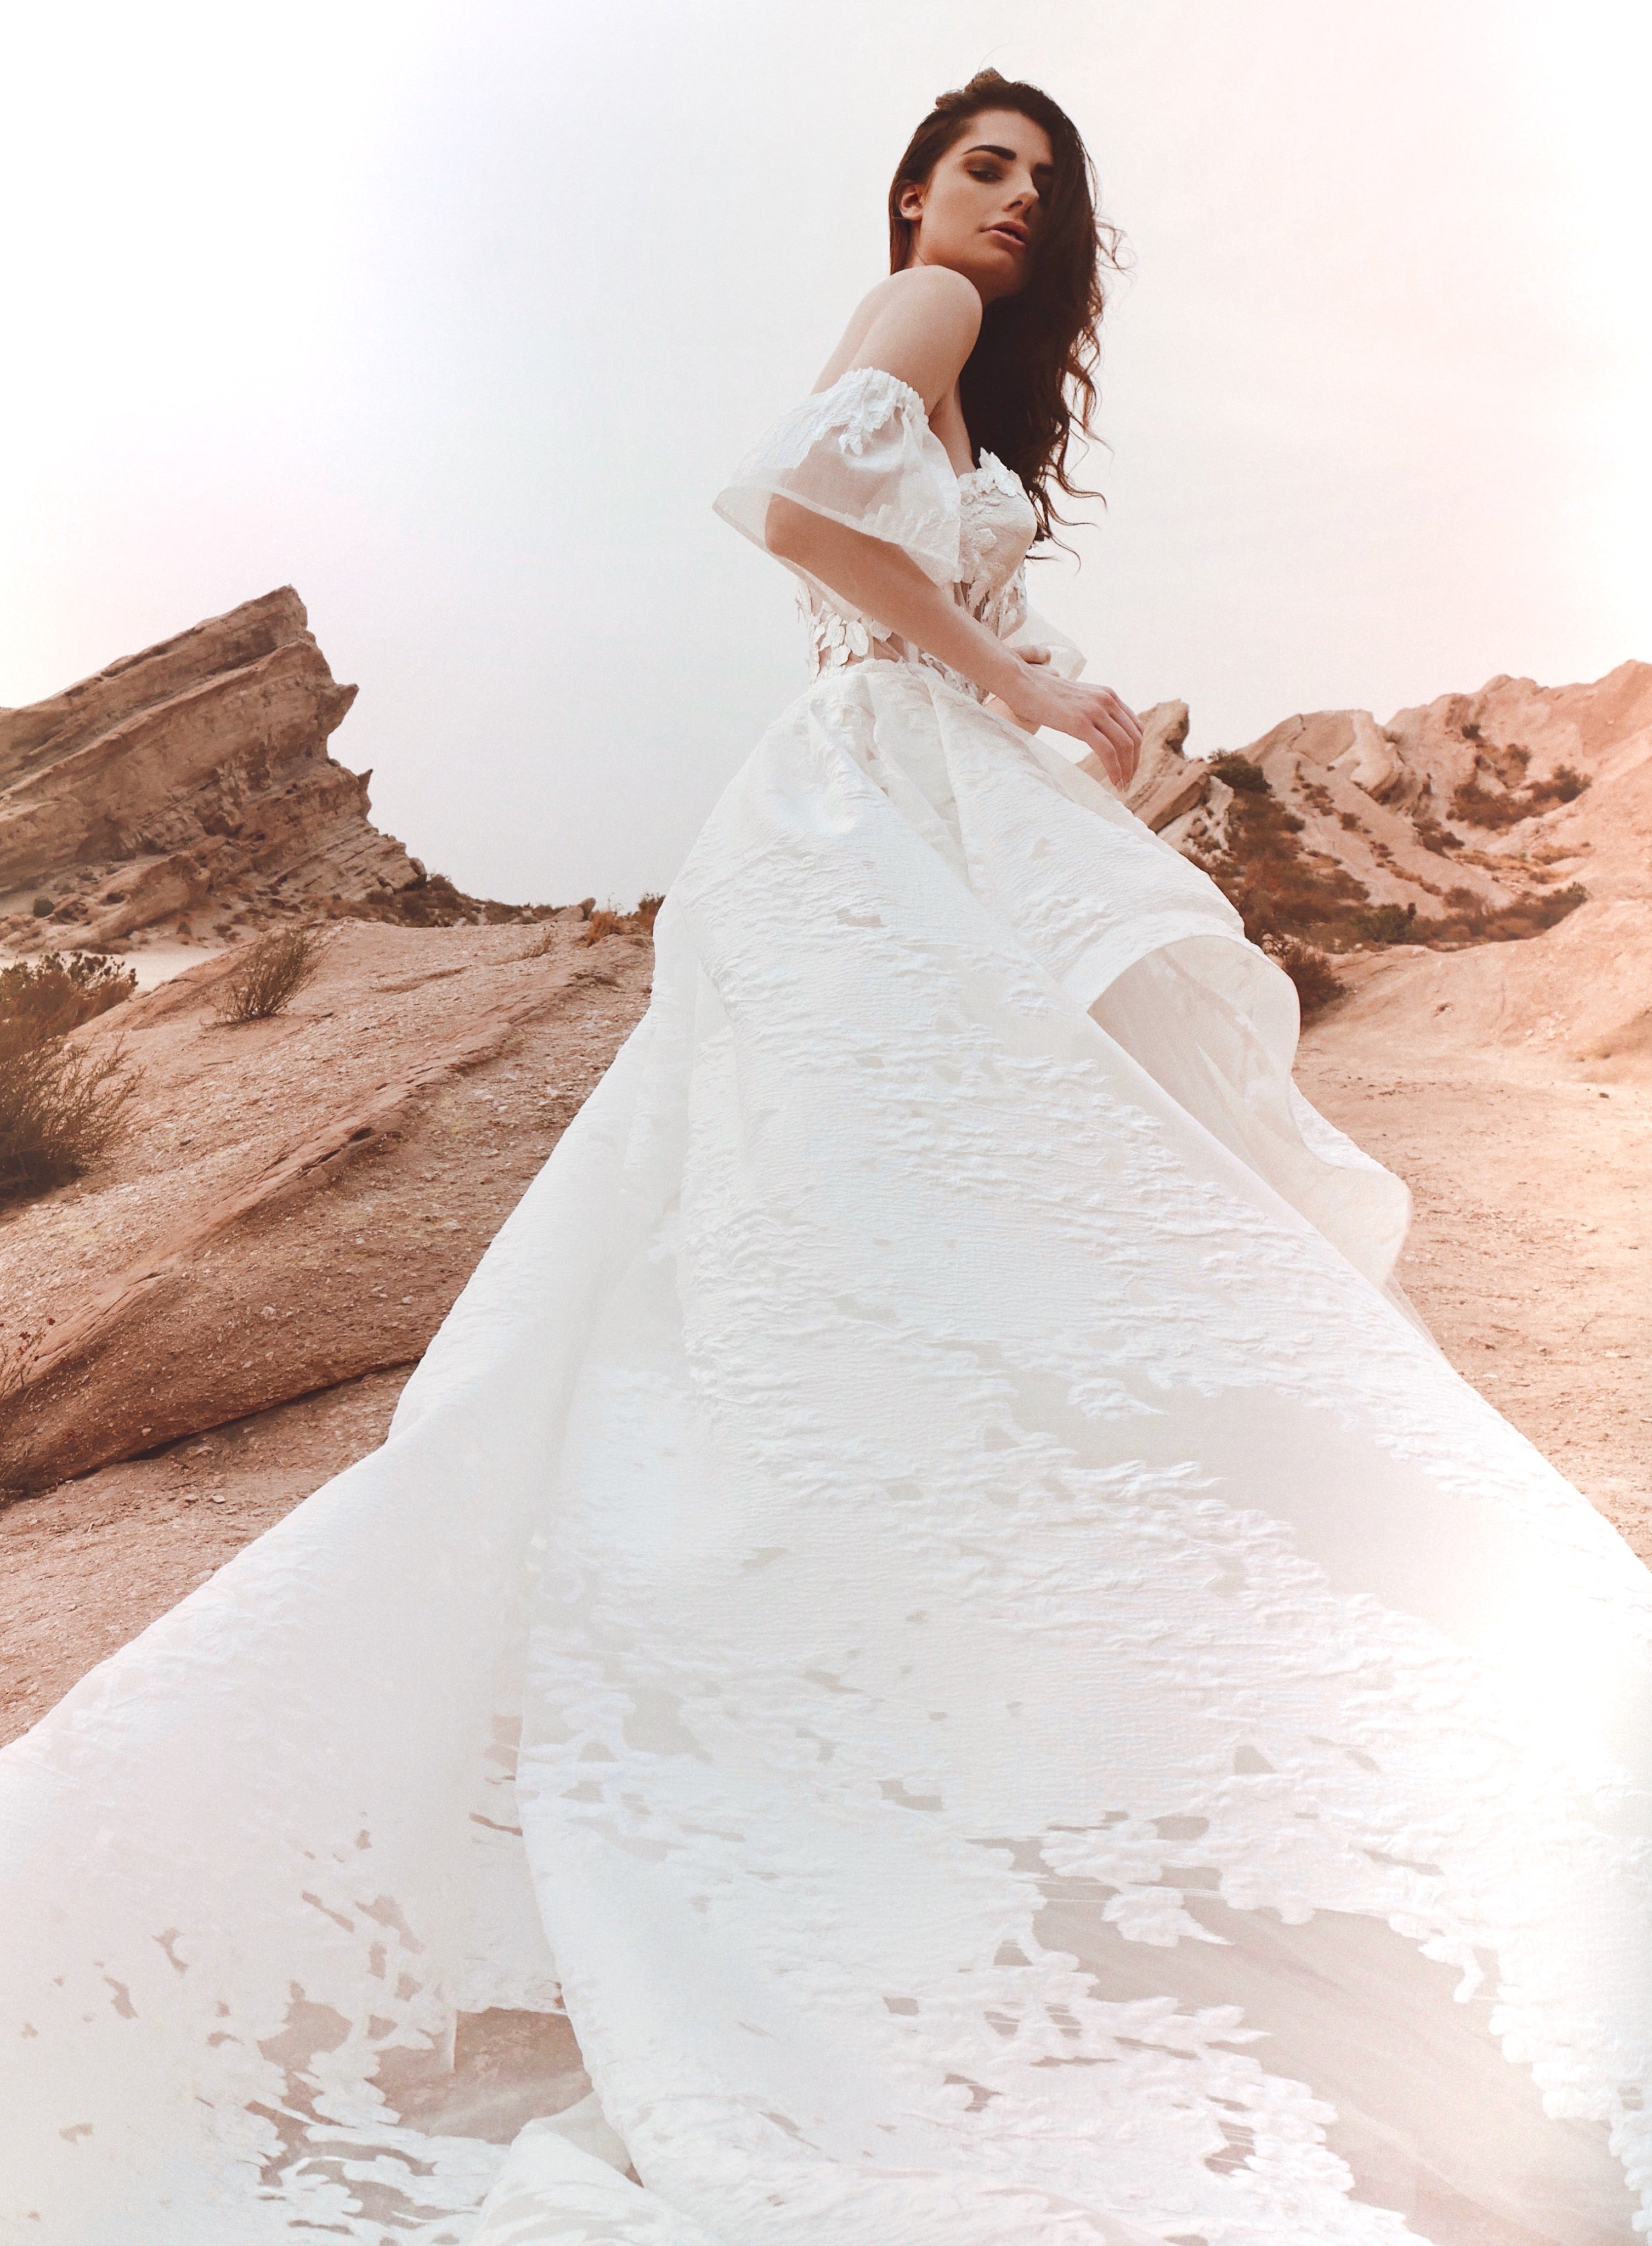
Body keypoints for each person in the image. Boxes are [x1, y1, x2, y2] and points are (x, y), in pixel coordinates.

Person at [1, 69, 1647, 2246]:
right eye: (985, 166)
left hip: (880, 796)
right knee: (942, 1215)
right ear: (910, 187)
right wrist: (1014, 684)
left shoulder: (959, 365)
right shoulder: (922, 319)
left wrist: (1053, 696)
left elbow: (880, 555)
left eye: (1041, 185)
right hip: (873, 798)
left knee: (883, 1228)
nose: (1010, 204)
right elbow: (790, 504)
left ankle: (871, 1658)